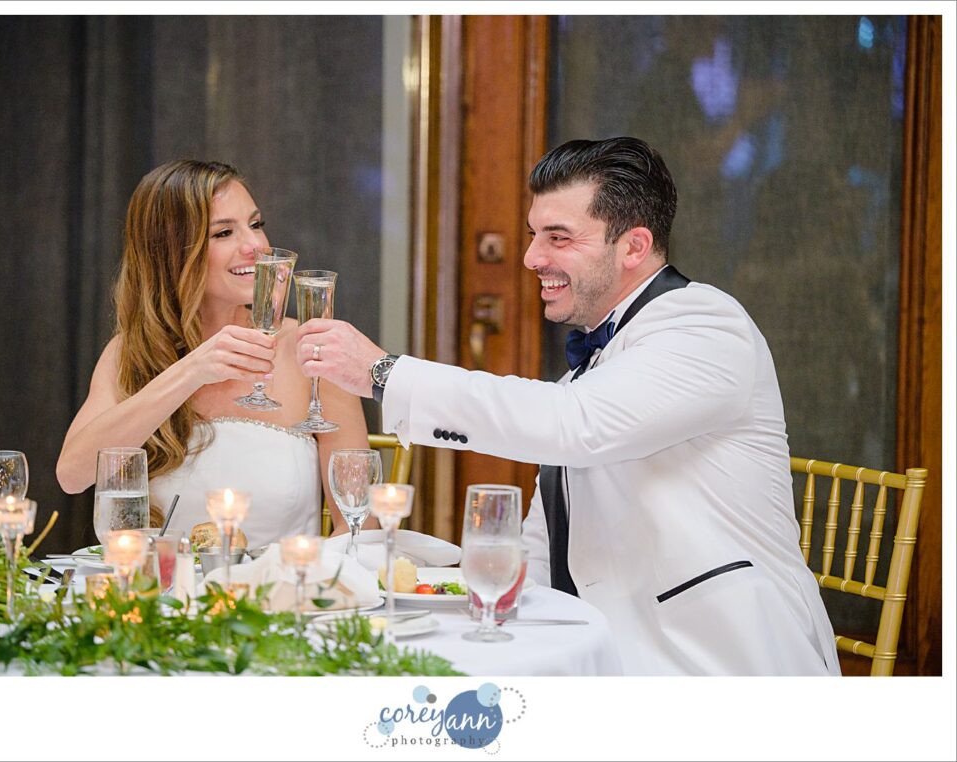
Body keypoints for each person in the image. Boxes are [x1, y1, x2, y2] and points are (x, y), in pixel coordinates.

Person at [292, 137, 841, 676]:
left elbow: (573, 423)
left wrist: (384, 373)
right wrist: (480, 601)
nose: (532, 257)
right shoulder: (592, 368)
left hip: (721, 661)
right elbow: (542, 536)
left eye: (559, 237)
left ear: (633, 246)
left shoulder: (705, 325)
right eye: (534, 235)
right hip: (605, 652)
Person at [56, 159, 368, 547]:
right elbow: (73, 474)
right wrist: (190, 372)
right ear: (170, 253)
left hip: (281, 597)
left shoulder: (312, 352)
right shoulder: (131, 354)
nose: (256, 246)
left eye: (255, 224)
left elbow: (358, 526)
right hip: (163, 598)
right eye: (223, 233)